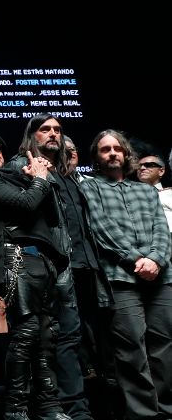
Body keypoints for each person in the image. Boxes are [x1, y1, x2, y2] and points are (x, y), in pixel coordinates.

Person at [7, 114, 108, 420]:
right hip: (49, 263)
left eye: (57, 130)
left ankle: (77, 407)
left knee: (75, 338)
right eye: (45, 129)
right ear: (31, 135)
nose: (52, 134)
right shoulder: (19, 164)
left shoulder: (66, 174)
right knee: (49, 339)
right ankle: (63, 409)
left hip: (81, 264)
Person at [0, 131, 71, 420]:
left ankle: (49, 405)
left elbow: (49, 213)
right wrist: (37, 178)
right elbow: (26, 205)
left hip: (43, 258)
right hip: (13, 256)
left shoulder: (19, 179)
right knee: (25, 333)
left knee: (46, 335)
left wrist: (35, 179)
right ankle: (15, 407)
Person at [80, 130, 172, 419]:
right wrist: (138, 259)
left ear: (125, 153)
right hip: (120, 278)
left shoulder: (145, 190)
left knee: (164, 346)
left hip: (161, 277)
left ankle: (166, 409)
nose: (112, 153)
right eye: (105, 149)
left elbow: (163, 230)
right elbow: (102, 229)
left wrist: (155, 259)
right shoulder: (91, 188)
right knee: (131, 347)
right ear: (96, 156)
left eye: (117, 148)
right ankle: (144, 414)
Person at [136, 153, 172, 233]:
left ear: (161, 171)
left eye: (148, 165)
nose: (142, 168)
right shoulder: (130, 195)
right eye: (138, 166)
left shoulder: (169, 193)